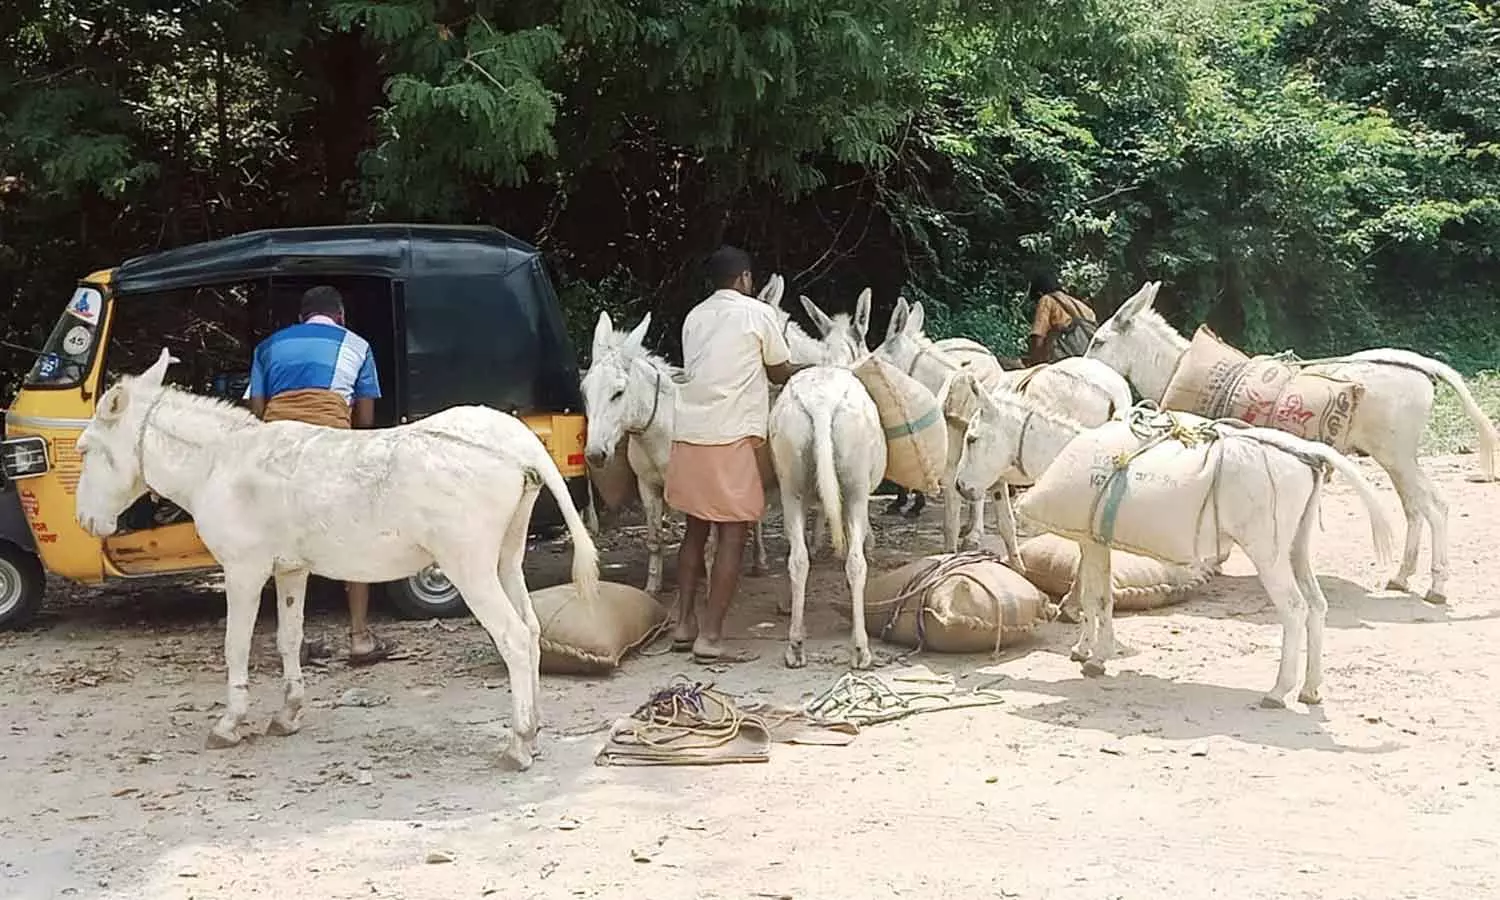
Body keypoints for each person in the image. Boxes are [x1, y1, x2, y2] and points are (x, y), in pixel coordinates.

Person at [665, 246, 808, 663]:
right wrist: (810, 370)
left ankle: (683, 624)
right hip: (731, 436)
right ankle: (710, 638)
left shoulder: (695, 317)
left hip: (690, 432)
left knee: (695, 530)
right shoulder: (757, 314)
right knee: (733, 534)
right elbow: (778, 370)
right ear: (745, 279)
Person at [245, 285, 392, 666]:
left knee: (288, 548)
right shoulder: (357, 345)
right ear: (340, 316)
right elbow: (365, 419)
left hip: (279, 458)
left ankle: (293, 640)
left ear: (300, 318)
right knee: (354, 540)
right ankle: (359, 638)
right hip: (331, 452)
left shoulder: (267, 347)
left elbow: (257, 412)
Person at [1024, 270, 1098, 366]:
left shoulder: (1046, 300)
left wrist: (1033, 363)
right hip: (1089, 359)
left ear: (1039, 293)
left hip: (1063, 361)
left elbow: (1038, 337)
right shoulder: (1081, 305)